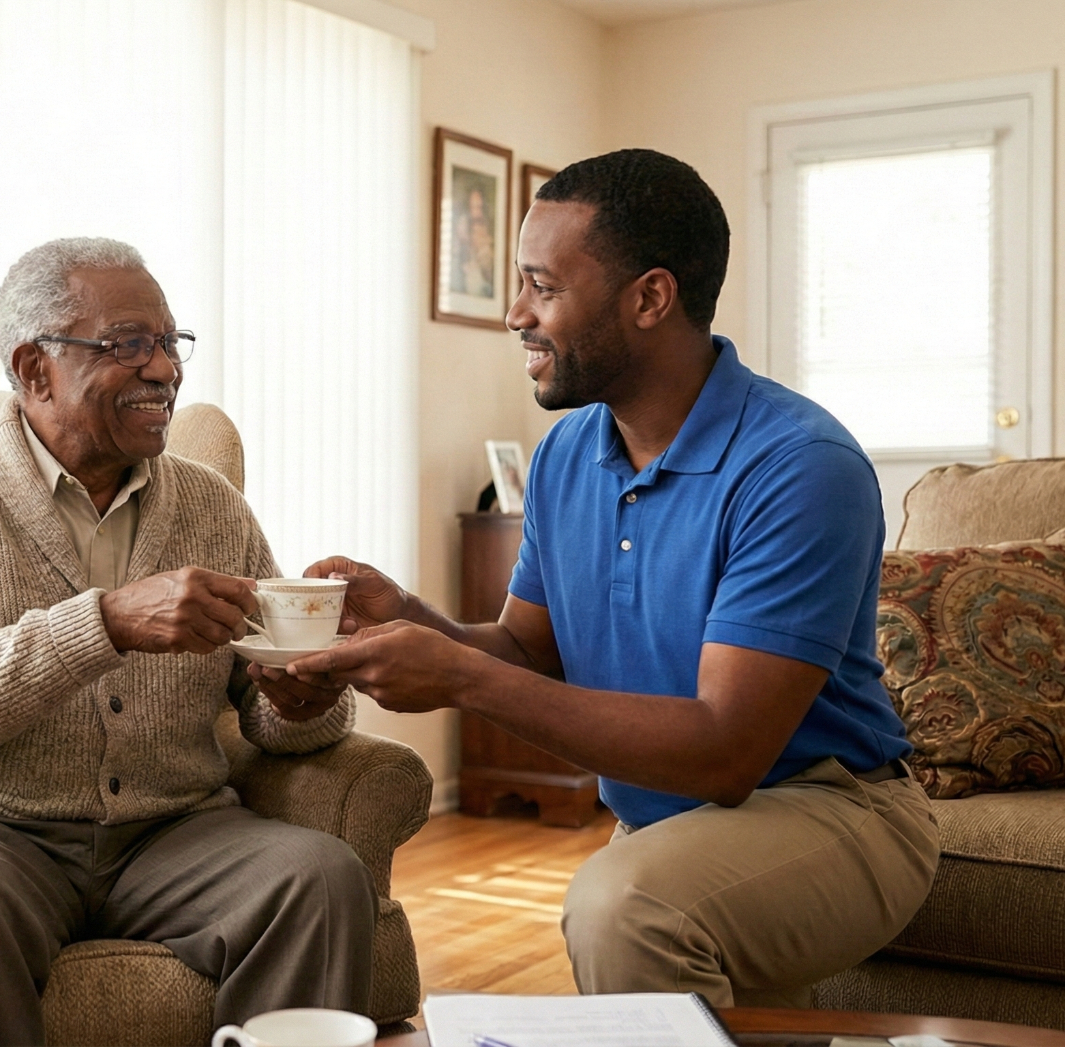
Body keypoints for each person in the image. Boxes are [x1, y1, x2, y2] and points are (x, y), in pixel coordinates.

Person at [279, 149, 938, 1008]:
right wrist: (409, 617)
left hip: (834, 808)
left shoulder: (799, 466)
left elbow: (726, 750)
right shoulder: (566, 453)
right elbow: (526, 647)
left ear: (650, 297)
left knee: (623, 905)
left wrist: (461, 679)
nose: (514, 313)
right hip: (670, 821)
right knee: (634, 895)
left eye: (541, 286)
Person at [0, 236, 374, 1046]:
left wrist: (304, 698)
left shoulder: (212, 506)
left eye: (170, 344)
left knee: (319, 876)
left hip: (170, 833)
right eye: (130, 345)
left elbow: (268, 709)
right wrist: (106, 623)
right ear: (34, 369)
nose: (164, 369)